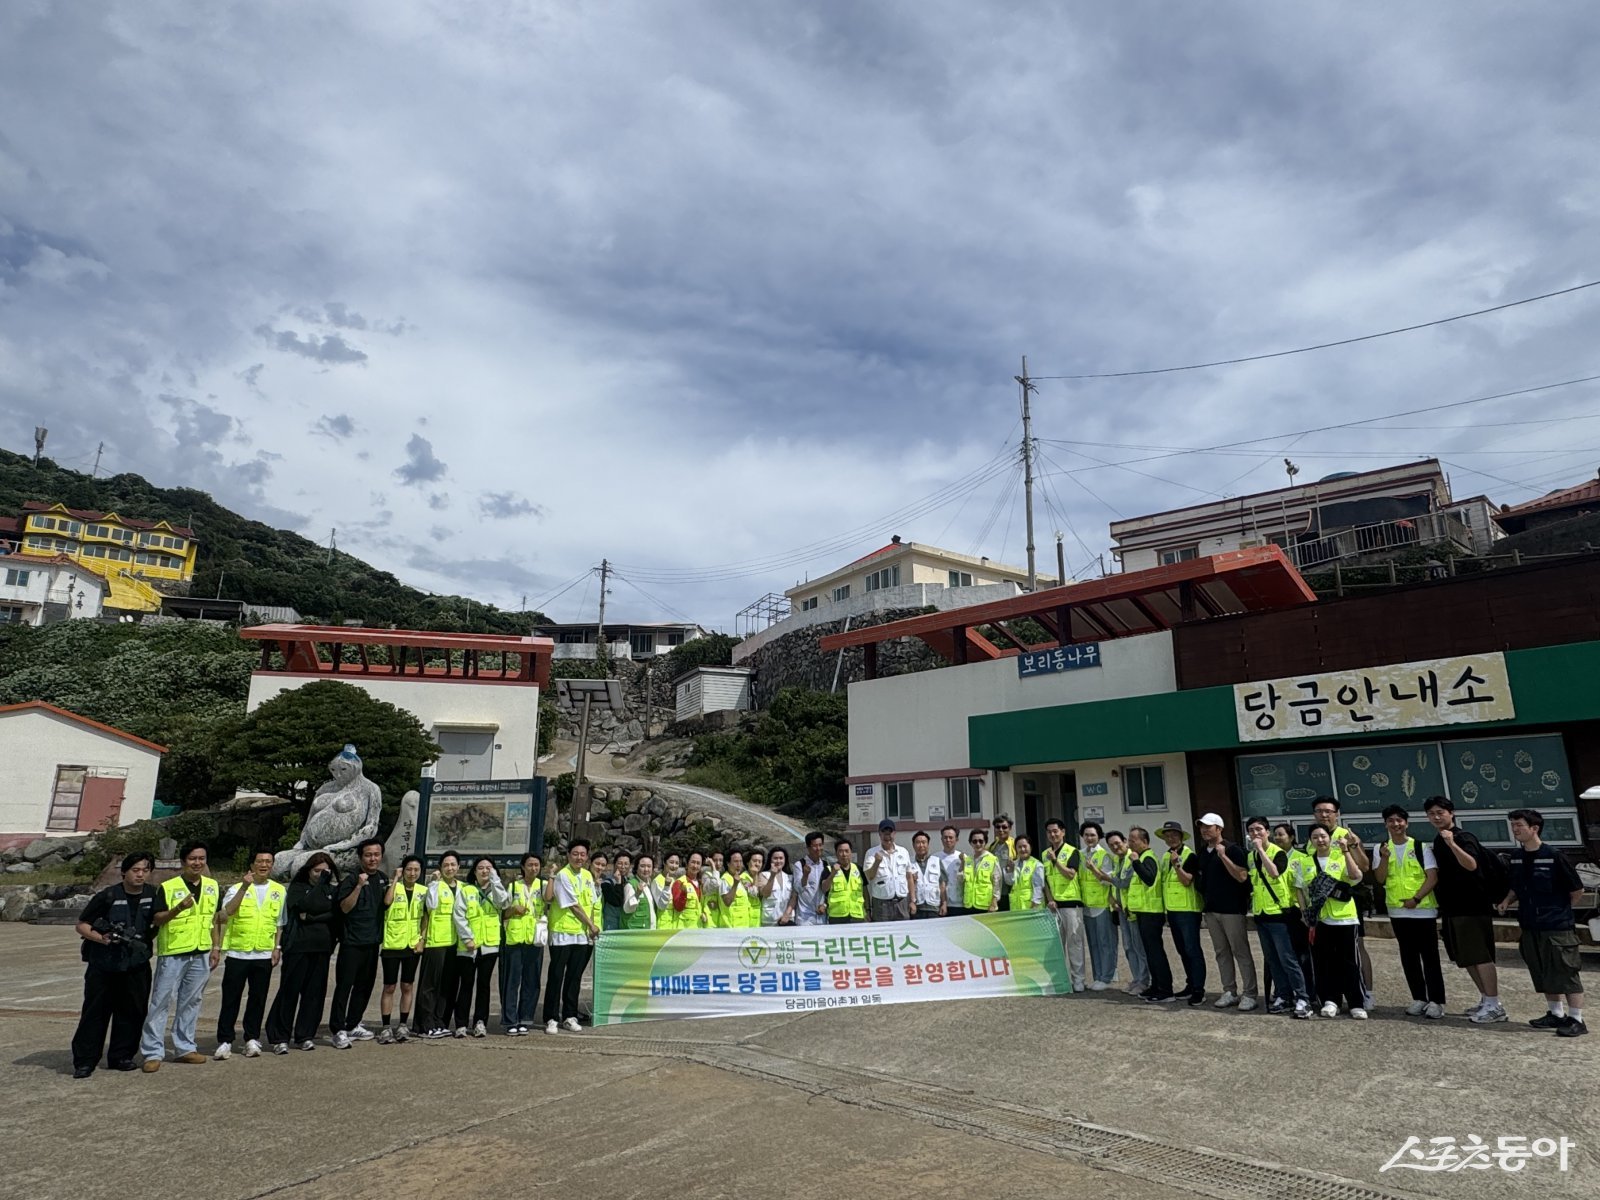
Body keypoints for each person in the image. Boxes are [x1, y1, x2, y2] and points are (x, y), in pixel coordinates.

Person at [71, 851, 158, 1078]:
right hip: (104, 965)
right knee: (95, 1013)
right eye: (135, 870)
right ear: (124, 872)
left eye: (145, 870)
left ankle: (121, 1056)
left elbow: (158, 922)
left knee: (132, 1012)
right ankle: (85, 1061)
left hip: (136, 965)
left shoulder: (153, 894)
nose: (140, 875)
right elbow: (82, 925)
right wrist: (102, 939)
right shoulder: (107, 896)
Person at [1503, 810, 1586, 1037]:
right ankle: (1555, 1013)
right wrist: (1507, 901)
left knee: (1565, 971)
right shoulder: (1517, 857)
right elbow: (1517, 887)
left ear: (1534, 828)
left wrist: (1559, 910)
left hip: (1556, 926)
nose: (1515, 829)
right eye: (1513, 825)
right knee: (1542, 971)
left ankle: (1577, 1019)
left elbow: (1576, 890)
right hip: (1530, 924)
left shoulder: (1554, 856)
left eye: (1519, 825)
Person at [139, 841, 220, 1071]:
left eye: (202, 858)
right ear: (184, 861)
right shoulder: (168, 887)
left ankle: (185, 1047)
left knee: (192, 1001)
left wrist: (216, 948)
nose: (198, 863)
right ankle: (153, 1052)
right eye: (193, 858)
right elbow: (157, 919)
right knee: (161, 1001)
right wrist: (178, 909)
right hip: (174, 952)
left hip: (201, 952)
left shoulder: (213, 886)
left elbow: (214, 919)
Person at [1424, 796, 1505, 1023]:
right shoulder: (1438, 839)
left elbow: (1471, 865)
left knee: (1481, 955)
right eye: (1432, 814)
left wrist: (1452, 843)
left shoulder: (1462, 837)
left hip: (1472, 905)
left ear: (1452, 813)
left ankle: (1495, 1004)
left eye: (1441, 812)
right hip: (1452, 907)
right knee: (1466, 957)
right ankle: (1485, 999)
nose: (1436, 817)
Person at [211, 849, 284, 1060]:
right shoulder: (236, 888)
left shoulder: (279, 890)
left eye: (268, 862)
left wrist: (276, 948)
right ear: (252, 865)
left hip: (263, 953)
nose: (264, 865)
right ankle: (225, 1040)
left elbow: (279, 923)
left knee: (257, 998)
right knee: (231, 998)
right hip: (238, 953)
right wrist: (245, 886)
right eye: (260, 861)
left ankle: (252, 1038)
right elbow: (227, 913)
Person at [1372, 806, 1444, 1019]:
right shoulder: (1381, 848)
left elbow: (1432, 877)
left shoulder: (1421, 847)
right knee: (1408, 957)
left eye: (1399, 820)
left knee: (1430, 957)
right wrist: (1384, 858)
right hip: (1397, 911)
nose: (1395, 824)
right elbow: (1380, 878)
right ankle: (1419, 997)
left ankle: (1437, 1000)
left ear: (1406, 823)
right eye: (1391, 821)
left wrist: (1416, 899)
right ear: (1385, 824)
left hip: (1423, 911)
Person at [265, 852, 339, 1053]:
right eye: (317, 871)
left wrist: (313, 917)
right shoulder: (298, 888)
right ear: (308, 870)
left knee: (314, 993)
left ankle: (305, 1034)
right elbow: (304, 906)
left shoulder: (332, 890)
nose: (321, 875)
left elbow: (334, 913)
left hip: (322, 948)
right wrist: (319, 893)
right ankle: (280, 1035)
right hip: (298, 947)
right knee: (290, 990)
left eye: (325, 871)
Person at [1243, 817, 1311, 1019]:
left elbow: (1274, 873)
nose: (1255, 833)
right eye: (1251, 830)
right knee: (1272, 959)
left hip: (1279, 915)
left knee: (1288, 958)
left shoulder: (1278, 853)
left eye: (1259, 829)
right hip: (1261, 914)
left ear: (1267, 832)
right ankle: (1283, 995)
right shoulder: (1250, 857)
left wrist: (1261, 850)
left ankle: (1303, 998)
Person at [1311, 796, 1373, 1006]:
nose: (1324, 814)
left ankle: (1366, 994)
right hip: (1323, 908)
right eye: (1319, 811)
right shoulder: (1313, 838)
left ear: (1337, 813)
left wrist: (1352, 846)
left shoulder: (1346, 835)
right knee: (1328, 955)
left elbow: (1364, 866)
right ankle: (1333, 998)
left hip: (1348, 902)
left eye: (1328, 811)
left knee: (1355, 951)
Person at [1299, 826, 1366, 1019]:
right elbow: (1300, 888)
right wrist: (1305, 913)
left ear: (1330, 838)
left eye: (1323, 836)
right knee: (1324, 962)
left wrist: (1346, 850)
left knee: (1350, 962)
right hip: (1320, 919)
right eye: (1315, 837)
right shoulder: (1306, 862)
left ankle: (1356, 1002)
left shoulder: (1340, 857)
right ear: (1310, 841)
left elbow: (1356, 877)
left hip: (1345, 918)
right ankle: (1330, 1000)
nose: (1320, 840)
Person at [1194, 814, 1258, 1012]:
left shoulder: (1234, 849)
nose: (1204, 831)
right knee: (1221, 953)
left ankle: (1250, 994)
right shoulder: (1203, 852)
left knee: (1241, 952)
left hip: (1232, 910)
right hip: (1212, 911)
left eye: (1208, 827)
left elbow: (1242, 877)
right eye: (1202, 827)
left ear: (1219, 828)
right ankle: (1229, 990)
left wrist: (1223, 857)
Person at [328, 838, 388, 1048]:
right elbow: (344, 907)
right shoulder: (352, 879)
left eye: (376, 854)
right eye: (368, 855)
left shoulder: (382, 879)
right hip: (352, 943)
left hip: (372, 942)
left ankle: (353, 1024)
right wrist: (359, 886)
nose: (373, 858)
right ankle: (338, 1029)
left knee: (365, 986)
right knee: (345, 986)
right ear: (361, 857)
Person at [545, 840, 601, 1034]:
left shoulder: (587, 875)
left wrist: (591, 928)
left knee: (574, 977)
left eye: (583, 854)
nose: (579, 857)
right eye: (575, 853)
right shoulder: (563, 875)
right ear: (568, 855)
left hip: (581, 935)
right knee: (557, 976)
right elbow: (573, 905)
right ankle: (551, 1017)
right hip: (562, 933)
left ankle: (569, 1015)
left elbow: (592, 904)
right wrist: (591, 925)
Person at [451, 857, 509, 1037]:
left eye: (489, 868)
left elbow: (504, 903)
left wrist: (496, 881)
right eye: (481, 868)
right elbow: (458, 915)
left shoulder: (497, 889)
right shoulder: (466, 890)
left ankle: (480, 1021)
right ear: (474, 871)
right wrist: (467, 938)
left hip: (489, 945)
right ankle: (460, 1023)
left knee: (484, 985)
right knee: (466, 985)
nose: (485, 871)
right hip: (468, 947)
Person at [1156, 821, 1205, 1005]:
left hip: (1188, 910)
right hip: (1173, 910)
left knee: (1193, 950)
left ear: (1181, 836)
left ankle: (1199, 989)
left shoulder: (1189, 855)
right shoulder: (1164, 856)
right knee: (1182, 950)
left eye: (1174, 835)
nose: (1170, 838)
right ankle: (1190, 984)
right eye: (1167, 835)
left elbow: (1186, 881)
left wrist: (1177, 865)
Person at [416, 850, 464, 1039]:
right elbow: (432, 905)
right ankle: (425, 1024)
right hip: (436, 942)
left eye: (453, 865)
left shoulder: (463, 887)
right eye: (446, 865)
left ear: (458, 867)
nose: (450, 868)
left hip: (455, 943)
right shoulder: (435, 886)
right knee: (430, 986)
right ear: (440, 868)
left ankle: (441, 1021)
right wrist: (434, 883)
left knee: (449, 986)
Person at [378, 855, 426, 1043]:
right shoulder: (393, 888)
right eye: (409, 869)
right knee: (389, 986)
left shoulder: (423, 891)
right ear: (403, 870)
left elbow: (425, 917)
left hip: (412, 944)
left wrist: (422, 939)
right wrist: (395, 879)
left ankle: (403, 1024)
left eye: (416, 870)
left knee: (407, 985)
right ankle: (385, 1026)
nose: (412, 873)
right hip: (392, 944)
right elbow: (387, 902)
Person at [501, 853, 547, 1035]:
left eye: (536, 865)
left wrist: (551, 877)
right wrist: (513, 909)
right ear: (522, 866)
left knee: (532, 981)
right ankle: (510, 1020)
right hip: (514, 939)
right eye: (530, 865)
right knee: (512, 981)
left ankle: (525, 1019)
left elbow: (550, 900)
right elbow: (503, 913)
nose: (533, 868)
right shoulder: (513, 886)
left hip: (535, 938)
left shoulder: (543, 886)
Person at [1126, 827, 1174, 1003]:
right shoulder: (1142, 857)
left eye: (1133, 840)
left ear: (1144, 841)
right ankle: (1156, 985)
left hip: (1152, 912)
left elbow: (1149, 878)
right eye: (1129, 840)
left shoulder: (1148, 857)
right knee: (1149, 952)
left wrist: (1136, 863)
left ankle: (1165, 989)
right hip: (1143, 911)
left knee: (1155, 952)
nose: (1130, 843)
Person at [1273, 822, 1318, 1008]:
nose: (1277, 838)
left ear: (1291, 837)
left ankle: (1307, 993)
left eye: (1281, 834)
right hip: (1278, 912)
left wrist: (1305, 912)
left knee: (1302, 956)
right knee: (1282, 956)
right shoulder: (1271, 857)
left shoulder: (1302, 858)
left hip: (1297, 913)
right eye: (1275, 835)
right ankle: (1285, 993)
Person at [1041, 819, 1085, 993]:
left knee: (1075, 943)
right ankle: (1060, 979)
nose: (1053, 834)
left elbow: (1070, 875)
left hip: (1071, 904)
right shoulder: (1045, 853)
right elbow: (1045, 881)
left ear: (1063, 832)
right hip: (1054, 906)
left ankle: (1079, 980)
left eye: (1056, 831)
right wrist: (1050, 899)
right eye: (1050, 832)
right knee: (1057, 945)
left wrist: (1056, 861)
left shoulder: (1072, 851)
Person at [1078, 822, 1119, 989]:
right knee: (1093, 943)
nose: (1089, 838)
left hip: (1102, 904)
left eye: (1093, 835)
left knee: (1105, 942)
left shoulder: (1104, 856)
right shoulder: (1080, 855)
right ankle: (1098, 975)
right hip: (1087, 905)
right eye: (1086, 835)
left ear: (1099, 837)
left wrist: (1094, 868)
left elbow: (1106, 879)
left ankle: (1107, 976)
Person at [1108, 831, 1149, 994]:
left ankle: (1144, 981)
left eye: (1118, 843)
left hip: (1133, 910)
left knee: (1138, 946)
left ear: (1125, 841)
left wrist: (1105, 877)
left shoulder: (1132, 858)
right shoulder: (1117, 861)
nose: (1115, 847)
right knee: (1128, 946)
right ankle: (1136, 978)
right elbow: (1115, 887)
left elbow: (1124, 883)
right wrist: (1111, 899)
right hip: (1121, 910)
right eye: (1111, 845)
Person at [863, 820, 914, 922]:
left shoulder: (903, 852)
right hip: (881, 904)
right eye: (884, 833)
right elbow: (869, 876)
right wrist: (877, 862)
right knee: (883, 934)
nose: (887, 836)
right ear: (879, 834)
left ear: (894, 833)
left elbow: (909, 877)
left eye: (890, 833)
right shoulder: (871, 853)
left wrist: (912, 900)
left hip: (902, 902)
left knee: (903, 933)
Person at [822, 840, 865, 924]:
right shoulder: (829, 869)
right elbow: (824, 888)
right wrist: (833, 873)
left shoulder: (858, 869)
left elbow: (865, 891)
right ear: (836, 853)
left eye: (846, 851)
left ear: (851, 853)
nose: (844, 854)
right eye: (840, 851)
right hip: (837, 916)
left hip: (857, 915)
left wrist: (867, 910)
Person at [793, 833, 831, 926]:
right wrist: (805, 875)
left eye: (820, 845)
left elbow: (829, 891)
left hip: (822, 915)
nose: (818, 848)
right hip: (805, 917)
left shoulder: (826, 865)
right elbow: (798, 888)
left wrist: (825, 905)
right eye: (814, 846)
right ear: (808, 847)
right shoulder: (800, 864)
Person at [962, 829, 1001, 915]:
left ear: (985, 842)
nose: (978, 844)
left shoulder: (992, 859)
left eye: (981, 841)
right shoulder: (968, 860)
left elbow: (997, 882)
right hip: (969, 905)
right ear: (970, 843)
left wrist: (994, 902)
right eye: (974, 841)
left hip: (986, 906)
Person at [909, 831, 946, 919]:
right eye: (918, 843)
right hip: (916, 908)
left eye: (924, 842)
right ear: (913, 845)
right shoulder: (909, 862)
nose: (921, 845)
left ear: (928, 845)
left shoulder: (936, 861)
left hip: (934, 908)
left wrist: (944, 903)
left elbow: (942, 884)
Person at [758, 847, 795, 926]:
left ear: (785, 860)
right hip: (770, 919)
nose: (778, 861)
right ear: (770, 860)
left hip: (787, 918)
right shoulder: (763, 875)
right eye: (775, 858)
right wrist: (772, 875)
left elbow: (794, 897)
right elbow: (765, 894)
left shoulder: (790, 877)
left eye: (781, 858)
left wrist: (787, 914)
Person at [1006, 836, 1045, 911]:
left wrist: (1035, 904)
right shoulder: (1014, 864)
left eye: (1025, 846)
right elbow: (1010, 883)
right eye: (1019, 847)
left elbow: (1038, 887)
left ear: (1030, 847)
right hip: (1016, 907)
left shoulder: (1036, 864)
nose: (1022, 849)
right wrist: (1010, 871)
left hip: (1031, 907)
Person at [673, 851, 708, 930]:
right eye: (693, 862)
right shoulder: (679, 882)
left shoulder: (700, 883)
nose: (695, 866)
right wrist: (683, 893)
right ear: (687, 863)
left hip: (698, 928)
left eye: (698, 863)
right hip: (683, 930)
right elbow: (678, 907)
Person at [722, 850, 756, 928]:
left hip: (744, 925)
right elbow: (727, 902)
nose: (739, 865)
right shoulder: (725, 879)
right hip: (732, 927)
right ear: (728, 863)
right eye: (736, 862)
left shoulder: (741, 879)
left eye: (740, 861)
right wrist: (735, 884)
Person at [938, 826, 966, 917]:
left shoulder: (963, 858)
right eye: (945, 837)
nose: (948, 840)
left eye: (951, 837)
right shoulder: (935, 858)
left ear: (956, 839)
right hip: (940, 902)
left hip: (958, 903)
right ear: (941, 839)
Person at [652, 853, 682, 931]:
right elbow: (661, 906)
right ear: (664, 863)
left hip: (676, 924)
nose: (674, 866)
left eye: (677, 863)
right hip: (663, 925)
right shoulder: (657, 880)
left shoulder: (676, 881)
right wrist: (667, 886)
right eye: (671, 862)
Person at [600, 853, 627, 932]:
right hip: (610, 925)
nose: (623, 867)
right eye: (620, 863)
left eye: (626, 864)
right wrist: (618, 882)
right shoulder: (607, 882)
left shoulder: (628, 880)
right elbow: (616, 901)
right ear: (614, 865)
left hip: (623, 923)